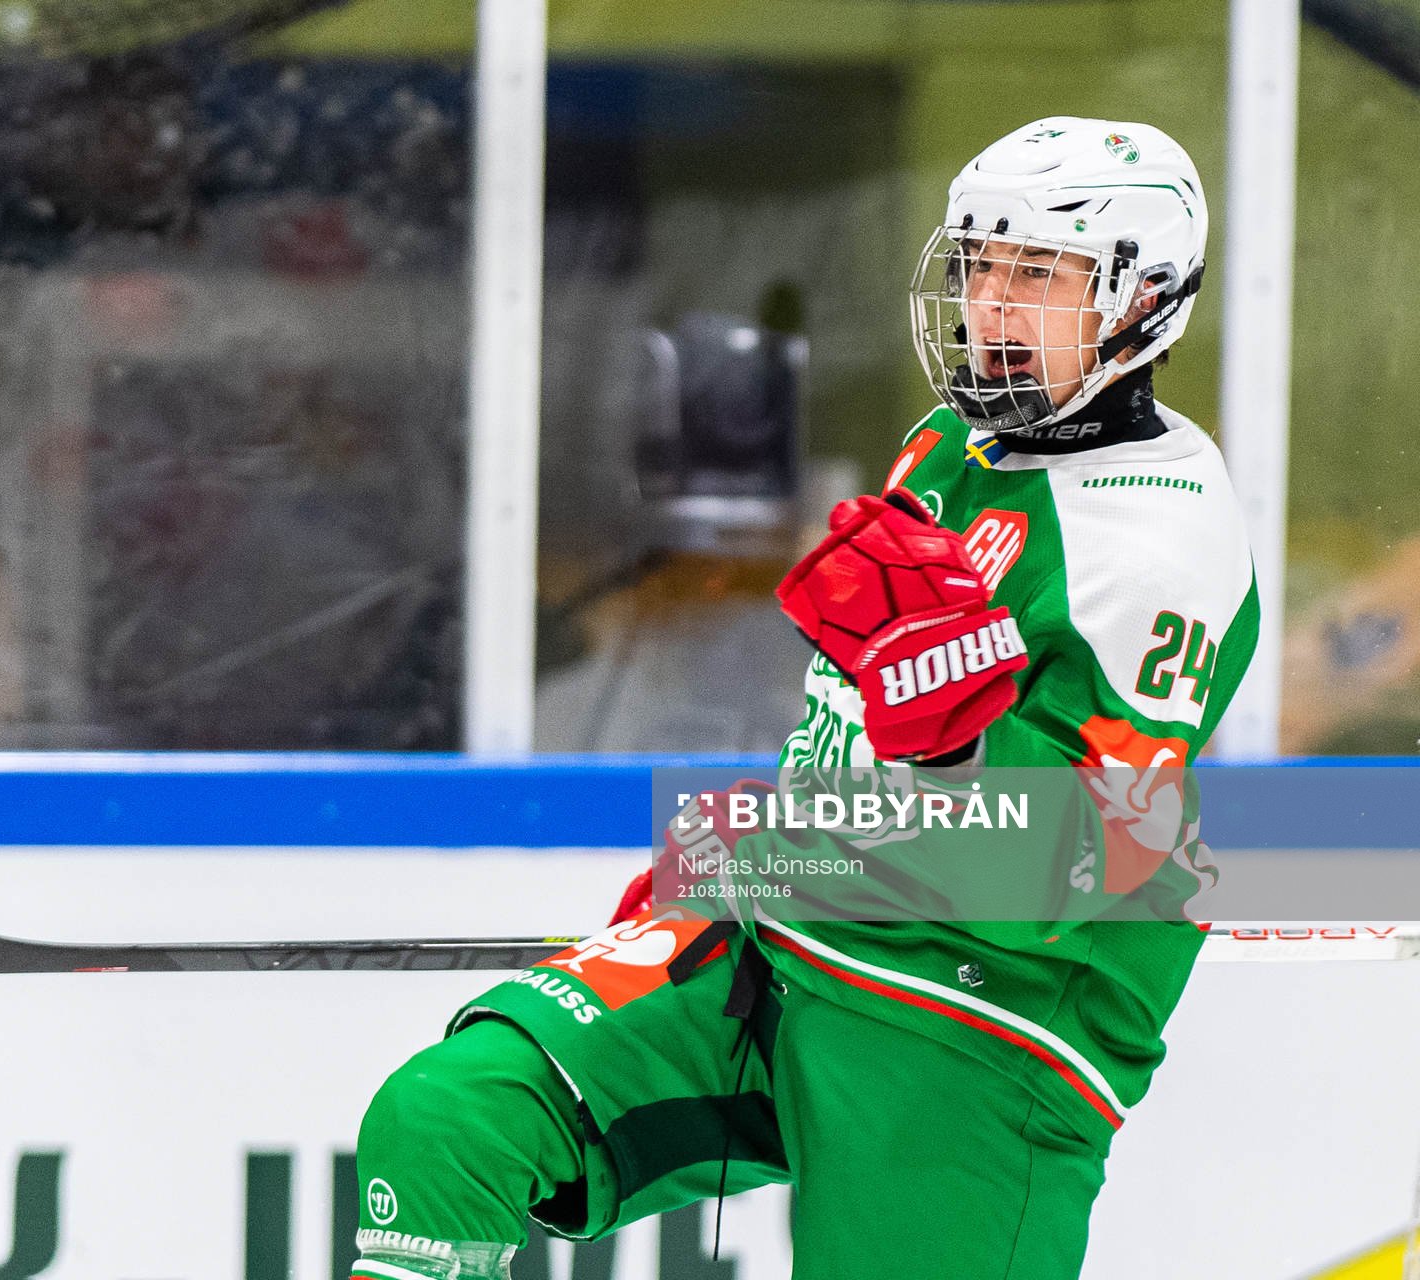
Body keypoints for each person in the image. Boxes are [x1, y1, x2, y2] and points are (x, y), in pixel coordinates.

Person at [348, 117, 1260, 1280]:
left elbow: (1093, 864)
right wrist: (756, 853)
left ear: (1142, 301)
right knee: (449, 1122)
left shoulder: (1157, 544)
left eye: (1039, 273)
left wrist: (947, 757)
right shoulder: (956, 441)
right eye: (980, 265)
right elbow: (861, 723)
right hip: (786, 945)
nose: (992, 306)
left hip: (979, 1019)